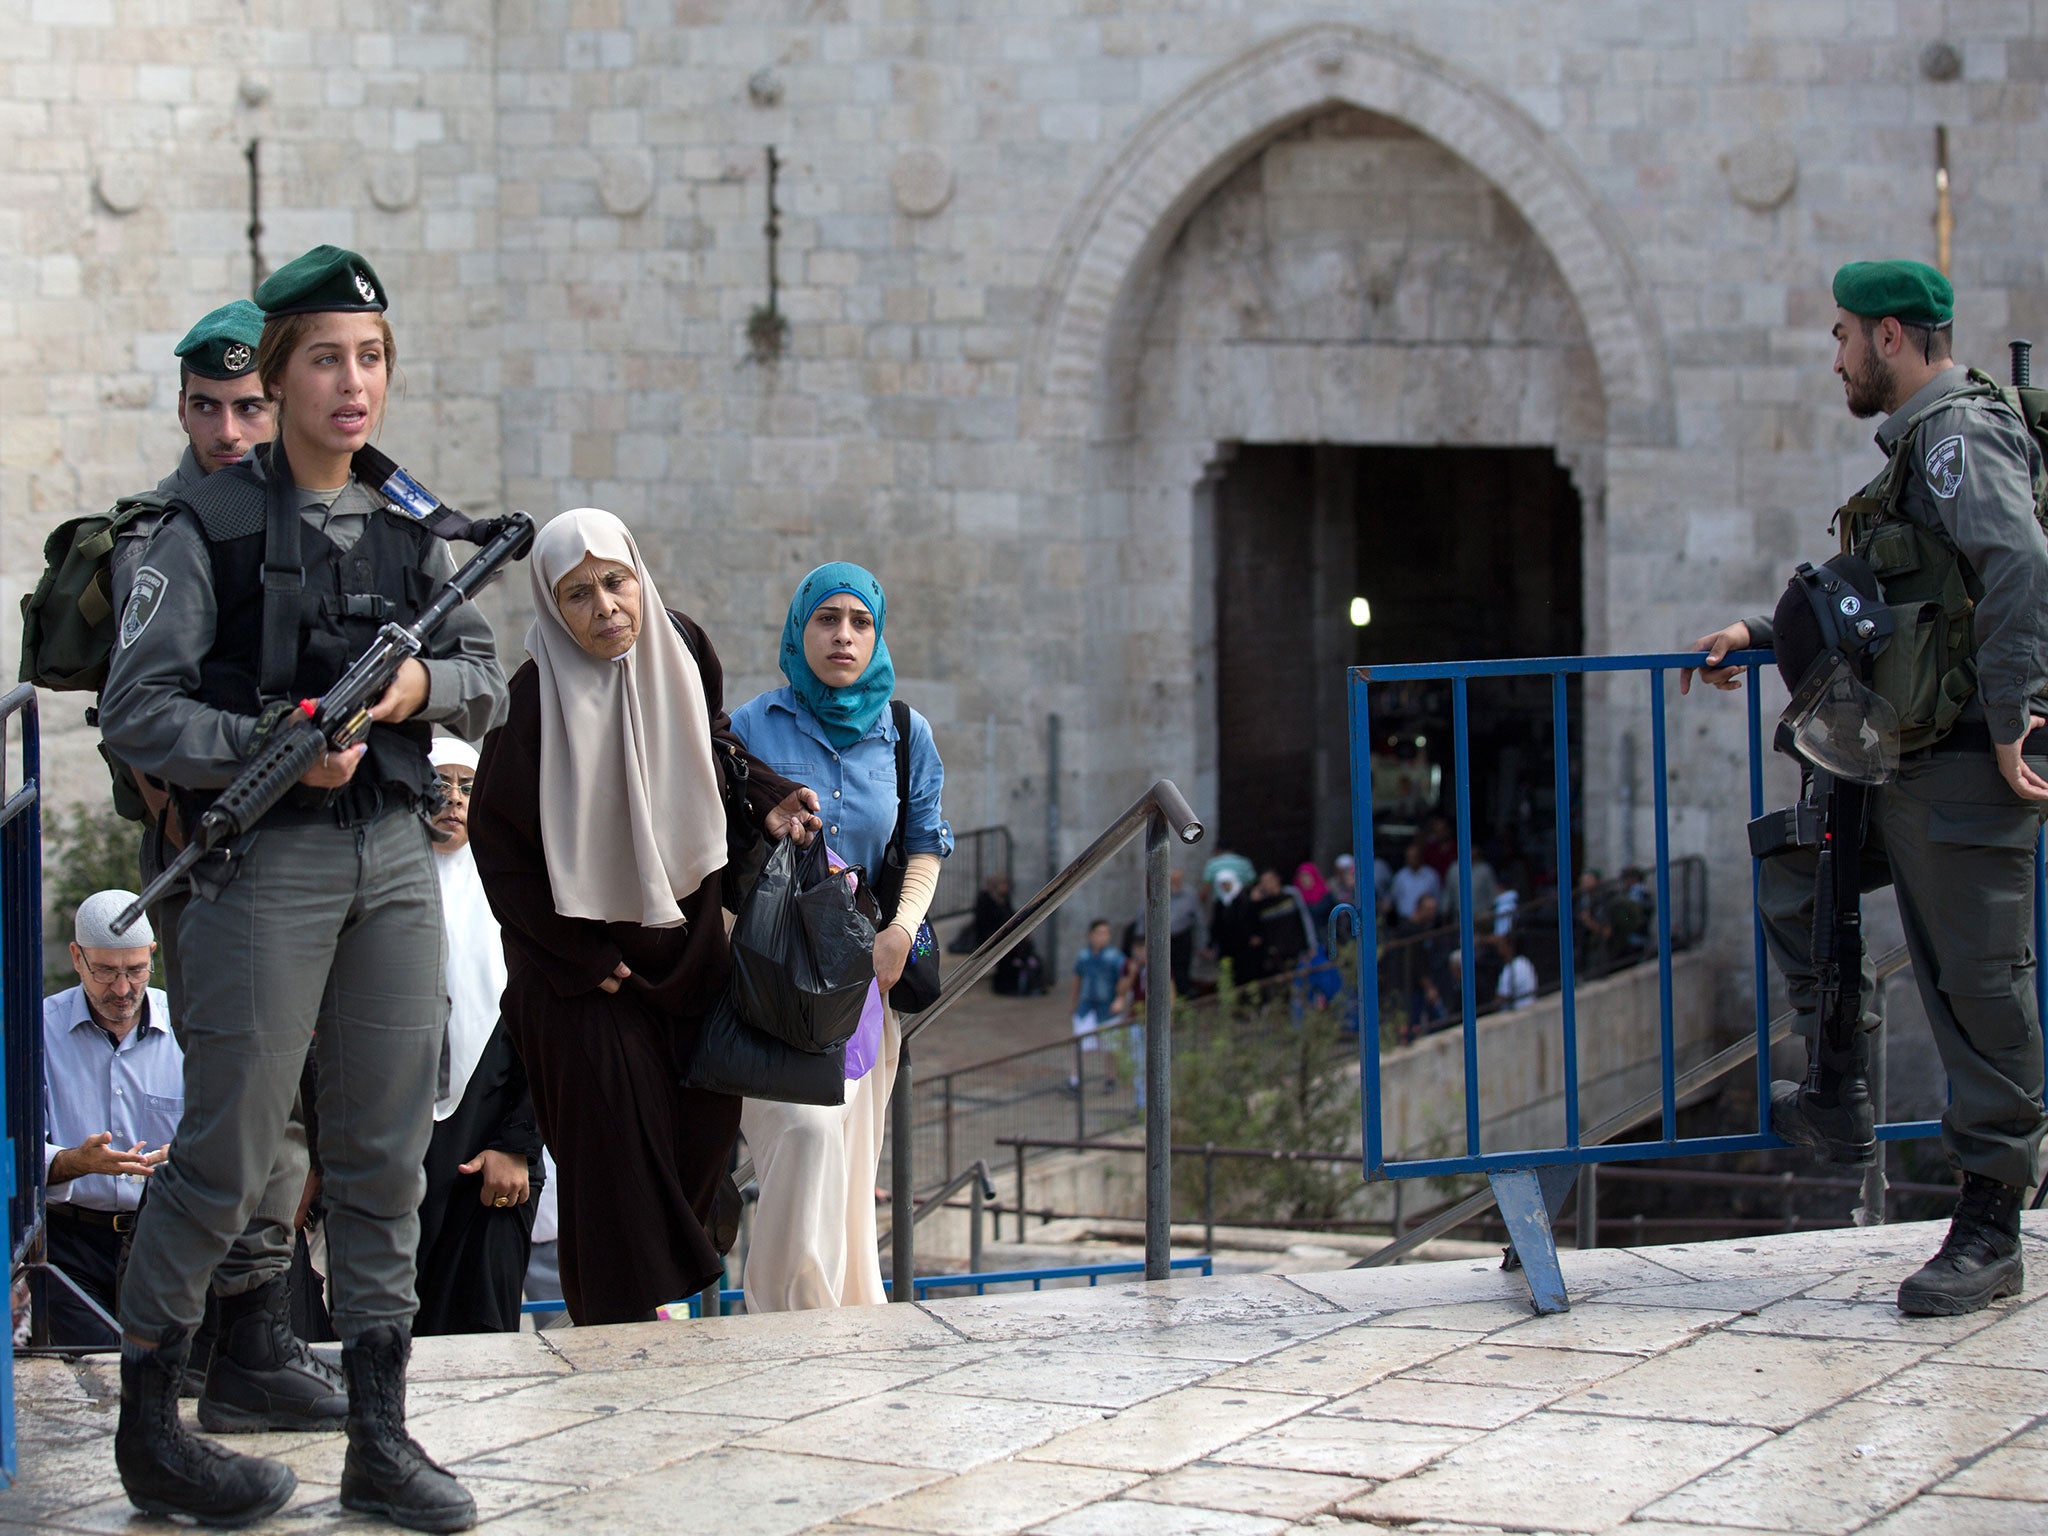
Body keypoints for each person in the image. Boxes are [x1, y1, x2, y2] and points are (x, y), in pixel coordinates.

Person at [100, 245, 508, 1530]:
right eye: (326, 358)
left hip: (392, 854)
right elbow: (138, 710)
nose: (354, 383)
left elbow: (488, 671)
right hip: (259, 861)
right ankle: (152, 1428)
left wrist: (412, 692)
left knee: (386, 1153)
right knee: (223, 1153)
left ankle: (380, 1438)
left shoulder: (410, 522)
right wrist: (269, 741)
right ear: (276, 378)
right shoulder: (196, 529)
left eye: (373, 359)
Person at [1682, 258, 2048, 1317]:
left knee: (1975, 985)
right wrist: (1763, 631)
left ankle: (1990, 1223)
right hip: (1907, 753)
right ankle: (1836, 1078)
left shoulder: (1953, 439)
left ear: (1890, 338)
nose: (1833, 357)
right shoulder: (1915, 452)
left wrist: (2011, 718)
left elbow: (2021, 564)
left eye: (1842, 336)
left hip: (1959, 763)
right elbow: (1896, 591)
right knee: (1799, 863)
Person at [468, 509, 816, 1328]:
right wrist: (580, 955)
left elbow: (714, 745)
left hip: (688, 952)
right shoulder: (531, 700)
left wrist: (765, 799)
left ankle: (652, 1305)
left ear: (640, 577)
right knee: (614, 1171)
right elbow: (499, 847)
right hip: (584, 982)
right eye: (578, 594)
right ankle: (615, 1342)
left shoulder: (683, 649)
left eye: (616, 583)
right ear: (554, 608)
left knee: (700, 1138)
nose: (606, 609)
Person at [729, 561, 951, 1311]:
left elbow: (924, 843)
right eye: (827, 620)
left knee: (852, 1168)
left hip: (864, 978)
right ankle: (790, 1315)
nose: (844, 636)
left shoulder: (903, 732)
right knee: (804, 1136)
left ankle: (846, 1323)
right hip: (772, 973)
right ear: (800, 630)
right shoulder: (752, 726)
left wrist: (901, 932)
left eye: (860, 622)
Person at [414, 738, 542, 1335]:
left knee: (480, 1328)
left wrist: (517, 1142)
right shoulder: (382, 885)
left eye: (468, 787)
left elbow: (545, 1018)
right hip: (400, 1143)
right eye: (439, 787)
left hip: (493, 1140)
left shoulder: (515, 886)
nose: (454, 801)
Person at [39, 893, 179, 1347]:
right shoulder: (37, 1030)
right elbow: (16, 1146)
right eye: (105, 971)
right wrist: (71, 1162)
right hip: (70, 1243)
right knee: (92, 1372)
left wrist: (186, 1154)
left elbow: (226, 1128)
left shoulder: (190, 1025)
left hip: (168, 1237)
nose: (121, 989)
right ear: (77, 957)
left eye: (135, 970)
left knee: (168, 1374)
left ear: (151, 955)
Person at [1069, 918, 1126, 1089]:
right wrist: (1073, 1003)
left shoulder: (1115, 957)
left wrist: (1120, 999)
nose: (1103, 937)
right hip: (1087, 1007)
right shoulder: (1084, 956)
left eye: (1106, 933)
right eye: (1100, 933)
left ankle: (1111, 1078)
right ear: (1091, 935)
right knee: (1081, 1045)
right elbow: (1077, 979)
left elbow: (1124, 980)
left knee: (1110, 1047)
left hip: (1107, 1008)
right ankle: (1075, 1080)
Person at [1389, 841, 1441, 922]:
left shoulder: (1431, 875)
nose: (1411, 860)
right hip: (1404, 921)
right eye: (1409, 857)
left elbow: (1437, 898)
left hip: (1427, 923)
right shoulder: (1400, 876)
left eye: (1414, 857)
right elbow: (1393, 899)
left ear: (1420, 857)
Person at [1494, 930, 1538, 1013]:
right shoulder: (1525, 962)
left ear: (1509, 947)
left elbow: (1499, 1000)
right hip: (1530, 1009)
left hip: (1520, 1012)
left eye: (1502, 945)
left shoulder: (1510, 968)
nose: (1499, 948)